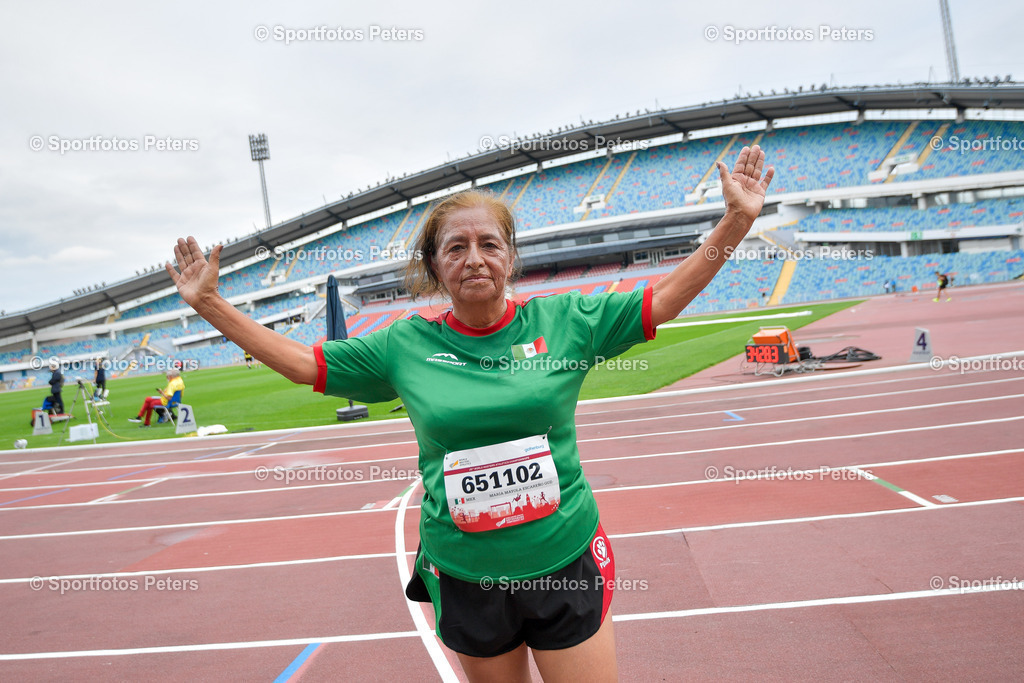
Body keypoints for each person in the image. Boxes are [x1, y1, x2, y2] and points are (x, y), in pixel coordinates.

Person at [165, 145, 774, 682]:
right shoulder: (403, 346)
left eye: (490, 245)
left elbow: (664, 299)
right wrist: (210, 303)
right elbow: (303, 362)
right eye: (457, 248)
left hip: (561, 561)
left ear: (511, 258)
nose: (475, 258)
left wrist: (736, 221)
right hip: (465, 573)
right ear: (435, 268)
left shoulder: (567, 323)